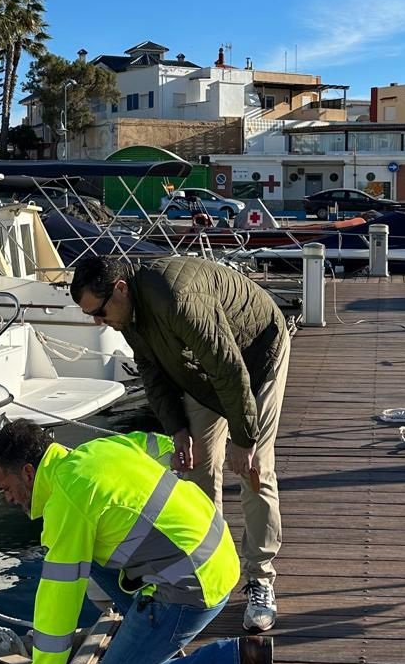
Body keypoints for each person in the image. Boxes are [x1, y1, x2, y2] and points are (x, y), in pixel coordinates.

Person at [0, 419, 273, 664]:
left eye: (5, 488)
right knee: (88, 555)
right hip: (216, 551)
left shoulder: (67, 502)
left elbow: (56, 610)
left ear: (28, 473)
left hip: (193, 588)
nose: (7, 498)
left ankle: (234, 659)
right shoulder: (96, 451)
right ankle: (157, 641)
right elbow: (159, 445)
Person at [70, 253, 289, 633]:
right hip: (205, 370)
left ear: (120, 289)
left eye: (100, 313)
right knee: (198, 468)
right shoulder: (126, 313)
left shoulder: (178, 297)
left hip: (257, 352)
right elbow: (152, 371)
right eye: (92, 316)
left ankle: (260, 578)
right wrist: (178, 430)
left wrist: (243, 437)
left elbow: (230, 369)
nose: (98, 322)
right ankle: (212, 569)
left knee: (254, 470)